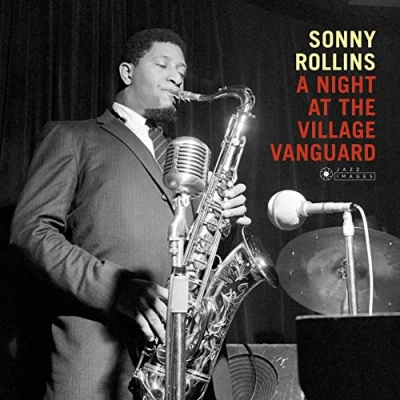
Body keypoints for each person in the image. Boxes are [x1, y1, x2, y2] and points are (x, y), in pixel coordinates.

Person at [10, 28, 250, 400]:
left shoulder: (185, 157)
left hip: (180, 364)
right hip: (96, 363)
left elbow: (196, 256)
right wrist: (116, 288)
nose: (177, 78)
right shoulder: (72, 137)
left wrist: (221, 224)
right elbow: (31, 233)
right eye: (163, 65)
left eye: (181, 71)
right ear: (127, 72)